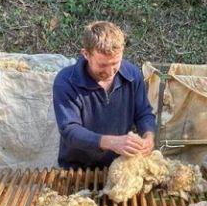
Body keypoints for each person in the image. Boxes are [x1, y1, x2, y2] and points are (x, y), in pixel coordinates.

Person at [53, 21, 155, 169]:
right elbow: (69, 130)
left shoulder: (132, 75)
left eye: (115, 63)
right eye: (102, 65)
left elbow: (144, 113)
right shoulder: (66, 81)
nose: (110, 72)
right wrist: (111, 142)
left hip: (119, 166)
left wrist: (149, 135)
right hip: (77, 169)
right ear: (86, 54)